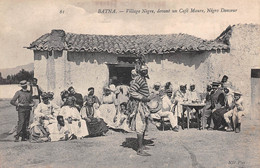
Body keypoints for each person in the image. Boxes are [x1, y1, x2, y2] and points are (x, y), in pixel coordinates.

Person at [129, 65, 151, 156]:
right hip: (139, 106)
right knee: (140, 125)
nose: (145, 72)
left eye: (146, 70)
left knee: (144, 124)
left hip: (143, 105)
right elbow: (132, 91)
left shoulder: (143, 79)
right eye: (143, 71)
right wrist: (142, 98)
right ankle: (139, 149)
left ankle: (142, 145)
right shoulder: (139, 80)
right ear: (140, 71)